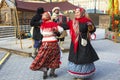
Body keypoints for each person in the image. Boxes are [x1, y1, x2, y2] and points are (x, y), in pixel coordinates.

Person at [66, 8, 99, 80]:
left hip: (83, 43)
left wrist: (90, 27)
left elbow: (93, 30)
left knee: (83, 57)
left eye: (78, 12)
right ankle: (75, 72)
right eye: (75, 12)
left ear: (82, 13)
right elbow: (65, 26)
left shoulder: (87, 21)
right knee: (75, 57)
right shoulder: (73, 21)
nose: (76, 14)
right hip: (74, 43)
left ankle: (82, 75)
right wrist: (54, 24)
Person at [30, 12, 63, 79]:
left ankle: (45, 73)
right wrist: (55, 33)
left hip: (45, 44)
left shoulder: (42, 25)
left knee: (44, 58)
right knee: (55, 58)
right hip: (53, 43)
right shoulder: (54, 24)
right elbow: (61, 29)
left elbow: (42, 33)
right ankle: (52, 72)